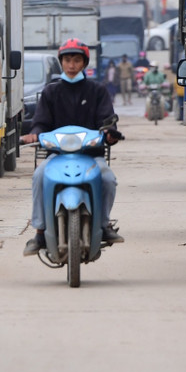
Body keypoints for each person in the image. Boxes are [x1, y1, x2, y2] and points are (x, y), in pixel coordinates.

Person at [19, 38, 124, 255]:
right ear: (62, 62)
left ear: (84, 63)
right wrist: (33, 135)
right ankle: (39, 232)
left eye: (77, 60)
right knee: (39, 176)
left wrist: (109, 133)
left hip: (91, 155)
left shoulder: (97, 91)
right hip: (57, 156)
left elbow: (107, 120)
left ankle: (104, 225)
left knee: (107, 178)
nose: (72, 65)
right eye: (67, 60)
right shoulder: (51, 92)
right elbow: (41, 122)